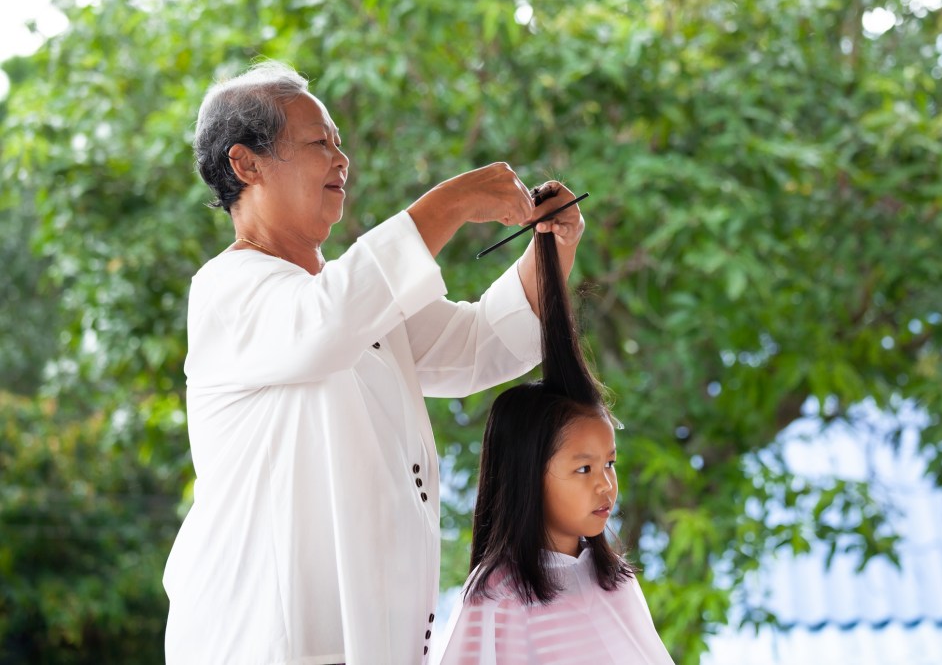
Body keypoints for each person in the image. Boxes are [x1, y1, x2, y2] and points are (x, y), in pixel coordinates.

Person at [162, 59, 586, 665]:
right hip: (262, 639)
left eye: (341, 144)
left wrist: (552, 249)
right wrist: (452, 202)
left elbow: (477, 347)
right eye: (319, 143)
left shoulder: (350, 296)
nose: (343, 160)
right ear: (246, 164)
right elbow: (324, 324)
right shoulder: (227, 289)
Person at [431, 227, 673, 664]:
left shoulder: (614, 580)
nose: (606, 486)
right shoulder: (497, 599)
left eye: (610, 464)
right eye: (584, 469)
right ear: (527, 475)